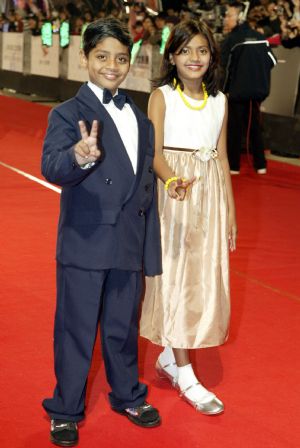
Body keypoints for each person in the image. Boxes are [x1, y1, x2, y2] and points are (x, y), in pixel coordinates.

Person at [41, 17, 162, 447]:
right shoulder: (66, 113)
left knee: (121, 327)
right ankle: (66, 408)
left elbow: (144, 186)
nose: (112, 65)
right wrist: (77, 155)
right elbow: (51, 167)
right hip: (85, 241)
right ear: (85, 58)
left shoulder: (140, 116)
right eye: (102, 56)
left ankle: (128, 394)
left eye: (121, 57)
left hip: (128, 241)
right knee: (75, 328)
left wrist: (150, 246)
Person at [140, 19, 237, 415]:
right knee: (177, 278)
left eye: (201, 50)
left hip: (210, 196)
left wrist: (229, 210)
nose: (193, 58)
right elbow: (155, 154)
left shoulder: (221, 101)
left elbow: (224, 156)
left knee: (200, 279)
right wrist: (171, 183)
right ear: (172, 56)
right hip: (175, 195)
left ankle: (169, 357)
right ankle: (184, 371)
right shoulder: (161, 96)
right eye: (185, 51)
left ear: (212, 56)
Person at [221, 2, 276, 174]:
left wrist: (224, 90)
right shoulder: (260, 37)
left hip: (237, 92)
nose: (225, 19)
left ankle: (234, 166)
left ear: (239, 18)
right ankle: (261, 165)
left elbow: (225, 67)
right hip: (257, 92)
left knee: (235, 129)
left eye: (229, 15)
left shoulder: (231, 40)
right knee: (255, 128)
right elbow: (272, 61)